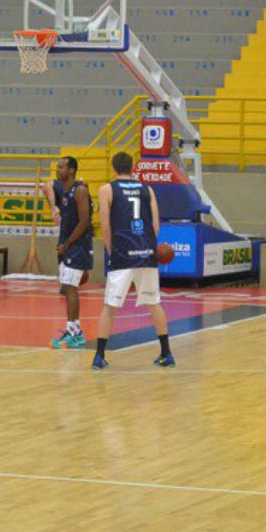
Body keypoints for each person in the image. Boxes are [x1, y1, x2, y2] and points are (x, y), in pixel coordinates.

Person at [92, 152, 174, 370]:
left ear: (113, 167)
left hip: (122, 253)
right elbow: (156, 226)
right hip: (146, 252)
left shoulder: (106, 190)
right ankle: (166, 353)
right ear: (133, 168)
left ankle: (99, 356)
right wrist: (147, 247)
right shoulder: (148, 190)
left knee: (110, 306)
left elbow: (106, 225)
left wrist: (112, 250)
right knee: (154, 302)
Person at [43, 156, 92, 349]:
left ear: (72, 170)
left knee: (70, 288)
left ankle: (75, 333)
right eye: (57, 167)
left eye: (61, 167)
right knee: (65, 288)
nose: (58, 171)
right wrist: (53, 208)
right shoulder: (63, 189)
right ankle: (73, 329)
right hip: (67, 245)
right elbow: (46, 186)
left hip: (77, 246)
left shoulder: (79, 190)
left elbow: (84, 221)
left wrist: (68, 243)